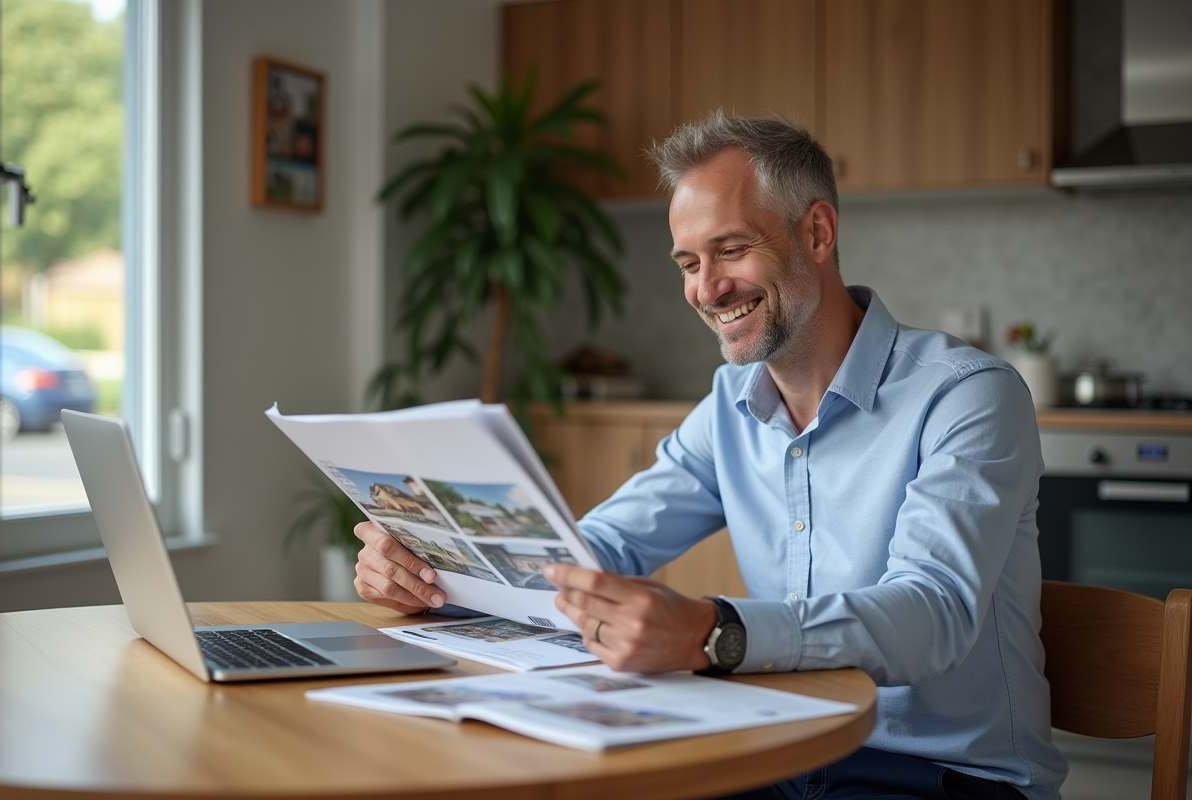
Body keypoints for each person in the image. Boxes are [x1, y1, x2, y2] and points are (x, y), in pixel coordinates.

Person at [352, 112, 1068, 800]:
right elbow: (594, 550)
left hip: (938, 776)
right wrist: (436, 566)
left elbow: (931, 614)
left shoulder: (968, 396)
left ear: (817, 231)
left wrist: (712, 631)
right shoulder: (730, 404)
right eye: (688, 262)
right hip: (778, 746)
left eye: (730, 250)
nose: (705, 288)